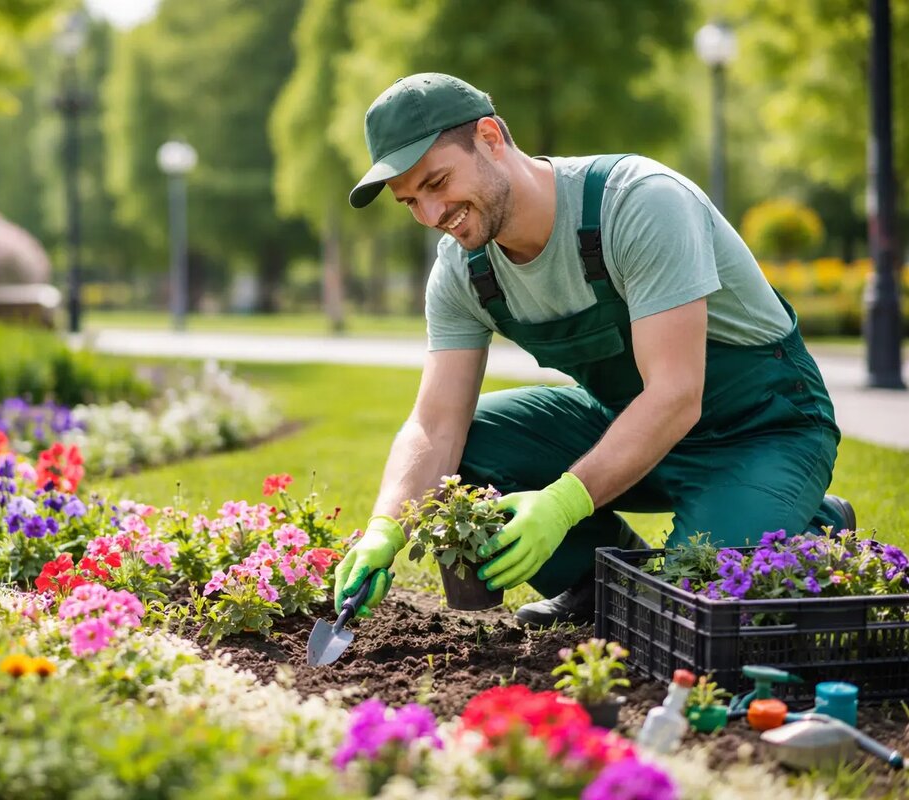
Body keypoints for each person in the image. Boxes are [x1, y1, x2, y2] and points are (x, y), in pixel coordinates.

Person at [332, 73, 855, 627]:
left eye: (437, 182)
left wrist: (560, 505)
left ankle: (812, 525)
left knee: (690, 609)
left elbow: (677, 394)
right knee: (465, 454)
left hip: (760, 430)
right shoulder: (463, 271)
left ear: (489, 137)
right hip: (629, 426)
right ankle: (594, 584)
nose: (432, 215)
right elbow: (435, 425)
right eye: (411, 200)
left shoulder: (638, 203)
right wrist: (387, 527)